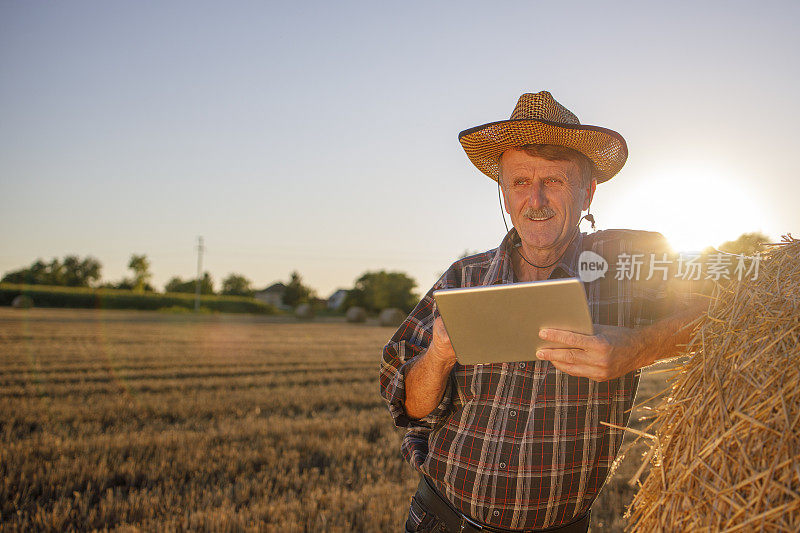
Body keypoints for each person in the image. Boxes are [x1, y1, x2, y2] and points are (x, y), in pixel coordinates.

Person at [379, 91, 708, 533]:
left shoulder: (630, 261)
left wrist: (638, 348)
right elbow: (412, 409)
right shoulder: (464, 276)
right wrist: (438, 357)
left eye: (553, 180)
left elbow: (727, 309)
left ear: (587, 192)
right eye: (519, 182)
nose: (534, 200)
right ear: (503, 192)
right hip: (438, 520)